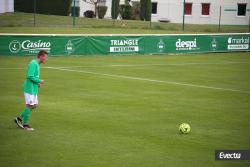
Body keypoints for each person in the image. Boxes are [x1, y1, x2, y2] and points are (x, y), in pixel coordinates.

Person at [14, 50, 48, 131]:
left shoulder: (37, 64)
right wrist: (40, 81)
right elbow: (30, 76)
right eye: (46, 57)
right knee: (29, 105)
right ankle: (25, 125)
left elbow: (33, 77)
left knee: (34, 105)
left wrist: (37, 84)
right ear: (41, 56)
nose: (46, 59)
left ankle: (19, 118)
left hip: (33, 88)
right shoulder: (33, 63)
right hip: (29, 89)